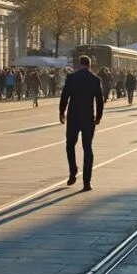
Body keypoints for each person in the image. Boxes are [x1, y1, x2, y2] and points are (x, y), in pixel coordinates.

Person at [59, 54, 103, 191]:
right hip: (88, 117)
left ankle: (73, 170)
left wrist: (62, 112)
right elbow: (99, 100)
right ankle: (86, 182)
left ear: (79, 64)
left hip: (73, 117)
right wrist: (98, 117)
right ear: (90, 65)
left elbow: (65, 96)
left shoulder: (71, 78)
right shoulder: (95, 79)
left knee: (70, 145)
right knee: (87, 148)